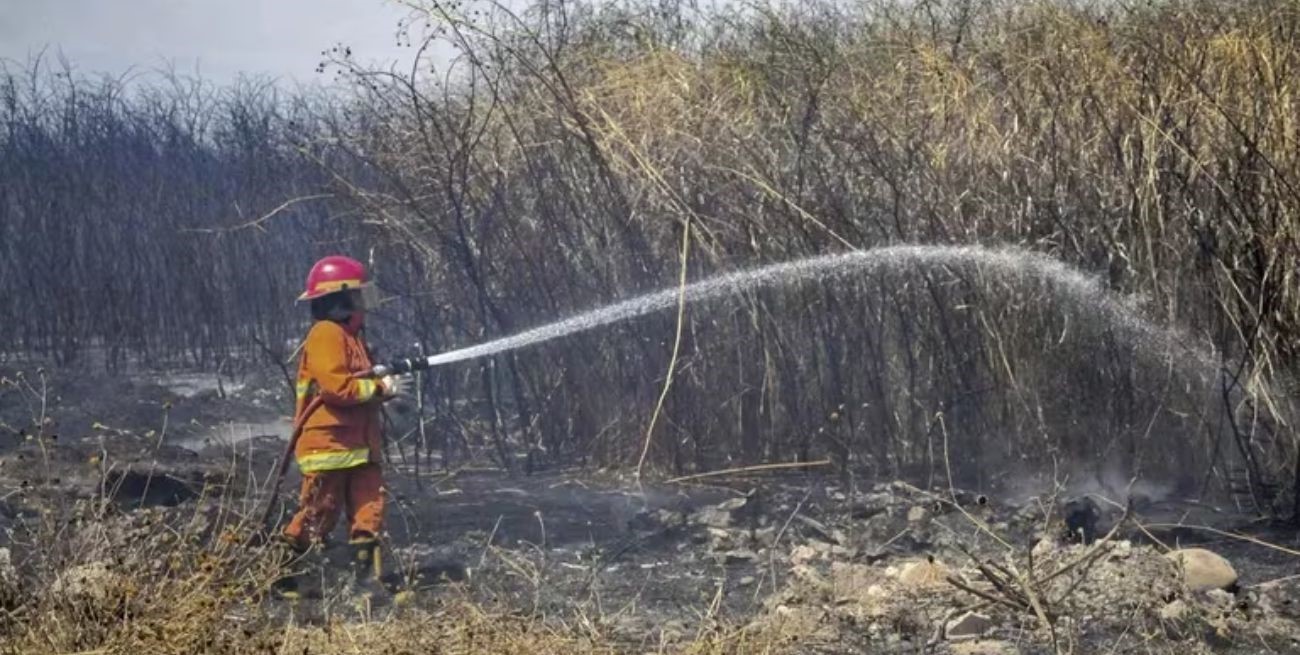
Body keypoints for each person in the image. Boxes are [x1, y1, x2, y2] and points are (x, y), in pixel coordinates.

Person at [274, 255, 404, 598]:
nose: (365, 306)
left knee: (370, 510)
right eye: (359, 297)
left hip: (360, 446)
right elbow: (337, 387)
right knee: (320, 511)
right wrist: (378, 388)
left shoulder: (351, 337)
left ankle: (366, 584)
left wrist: (382, 386)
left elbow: (358, 384)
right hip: (328, 445)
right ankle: (279, 578)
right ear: (342, 300)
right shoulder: (325, 334)